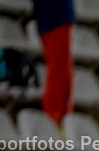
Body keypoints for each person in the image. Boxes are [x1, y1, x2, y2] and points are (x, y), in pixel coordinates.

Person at [32, 0, 75, 128]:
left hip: (57, 16)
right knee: (58, 72)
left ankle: (63, 119)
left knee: (64, 72)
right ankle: (53, 120)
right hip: (54, 16)